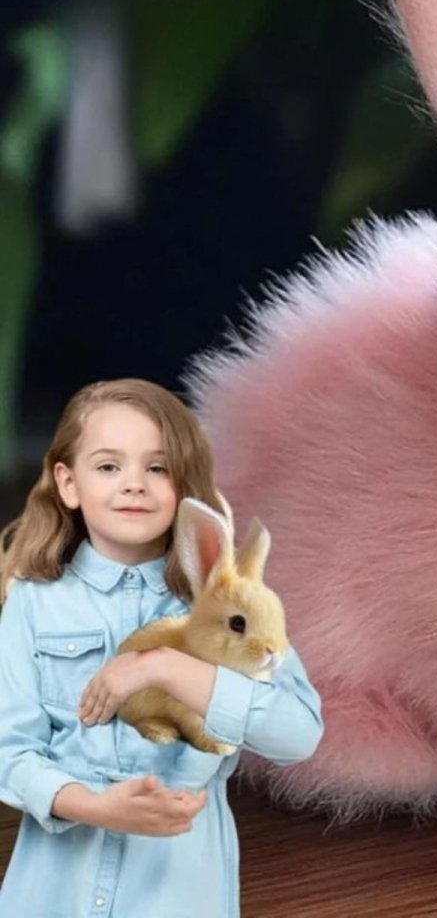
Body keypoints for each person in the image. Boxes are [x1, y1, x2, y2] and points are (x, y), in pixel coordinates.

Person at [0, 379, 323, 918]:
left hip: (178, 882)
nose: (134, 485)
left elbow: (298, 734)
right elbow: (11, 752)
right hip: (57, 886)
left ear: (185, 486)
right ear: (68, 482)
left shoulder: (229, 607)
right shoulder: (35, 604)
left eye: (158, 467)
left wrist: (167, 666)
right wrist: (98, 807)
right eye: (108, 466)